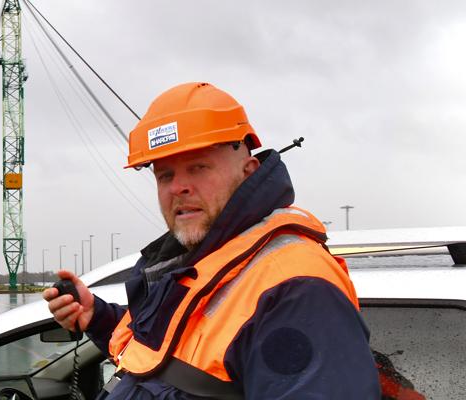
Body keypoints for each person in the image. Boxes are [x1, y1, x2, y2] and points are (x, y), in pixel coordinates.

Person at [44, 82, 379, 398]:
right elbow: (174, 353)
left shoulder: (297, 291)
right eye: (165, 175)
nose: (178, 187)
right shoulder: (208, 262)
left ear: (248, 171)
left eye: (199, 167)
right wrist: (97, 317)